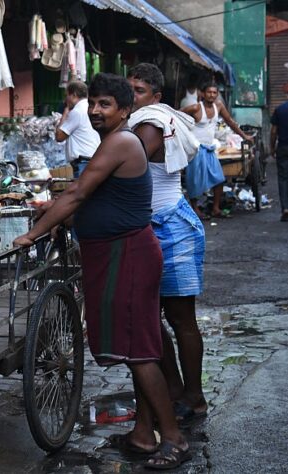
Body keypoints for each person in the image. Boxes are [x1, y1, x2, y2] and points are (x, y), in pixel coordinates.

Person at [13, 73, 191, 470]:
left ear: (125, 110)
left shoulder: (123, 142)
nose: (95, 110)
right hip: (116, 254)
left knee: (141, 354)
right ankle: (144, 435)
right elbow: (85, 193)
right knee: (136, 350)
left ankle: (174, 438)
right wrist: (56, 214)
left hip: (127, 255)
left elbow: (78, 192)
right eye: (92, 102)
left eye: (105, 104)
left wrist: (33, 234)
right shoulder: (111, 142)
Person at [128, 63, 209, 424]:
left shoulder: (149, 123)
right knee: (151, 318)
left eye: (139, 90)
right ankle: (176, 388)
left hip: (171, 227)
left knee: (180, 318)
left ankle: (194, 396)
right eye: (129, 89)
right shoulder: (150, 119)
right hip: (152, 227)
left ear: (156, 96)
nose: (133, 97)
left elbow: (132, 165)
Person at [180, 81, 253, 219]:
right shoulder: (195, 108)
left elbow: (230, 122)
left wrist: (244, 136)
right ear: (202, 94)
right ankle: (195, 208)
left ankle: (215, 208)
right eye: (209, 92)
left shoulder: (218, 106)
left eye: (214, 92)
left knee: (219, 179)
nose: (212, 95)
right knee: (194, 180)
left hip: (210, 149)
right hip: (195, 149)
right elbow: (177, 115)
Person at [55, 80, 101, 177]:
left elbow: (59, 136)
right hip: (92, 158)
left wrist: (65, 113)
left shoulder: (77, 111)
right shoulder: (89, 107)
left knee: (83, 191)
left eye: (66, 95)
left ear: (74, 95)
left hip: (83, 162)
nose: (65, 100)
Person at [269, 83, 288, 222]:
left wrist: (272, 147)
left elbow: (274, 131)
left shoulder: (280, 110)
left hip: (283, 147)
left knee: (283, 178)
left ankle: (285, 208)